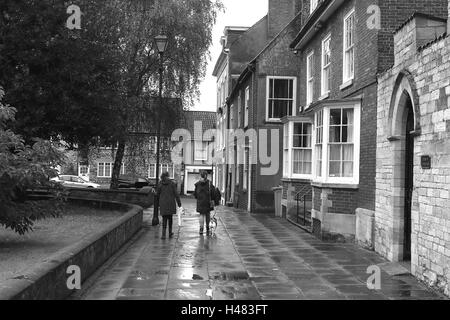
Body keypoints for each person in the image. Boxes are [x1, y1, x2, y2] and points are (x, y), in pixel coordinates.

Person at [156, 171, 182, 239]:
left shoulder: (160, 183)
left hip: (163, 203)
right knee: (170, 218)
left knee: (164, 218)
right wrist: (179, 204)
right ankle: (170, 232)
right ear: (168, 176)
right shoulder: (172, 183)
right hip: (171, 203)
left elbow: (157, 194)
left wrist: (158, 203)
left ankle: (163, 234)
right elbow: (176, 194)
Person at [193, 171, 216, 236]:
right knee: (207, 214)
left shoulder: (197, 184)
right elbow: (213, 193)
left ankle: (201, 229)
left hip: (200, 202)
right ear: (206, 176)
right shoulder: (209, 183)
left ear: (201, 176)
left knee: (201, 215)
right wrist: (213, 200)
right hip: (208, 201)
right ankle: (207, 228)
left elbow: (195, 194)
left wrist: (198, 197)